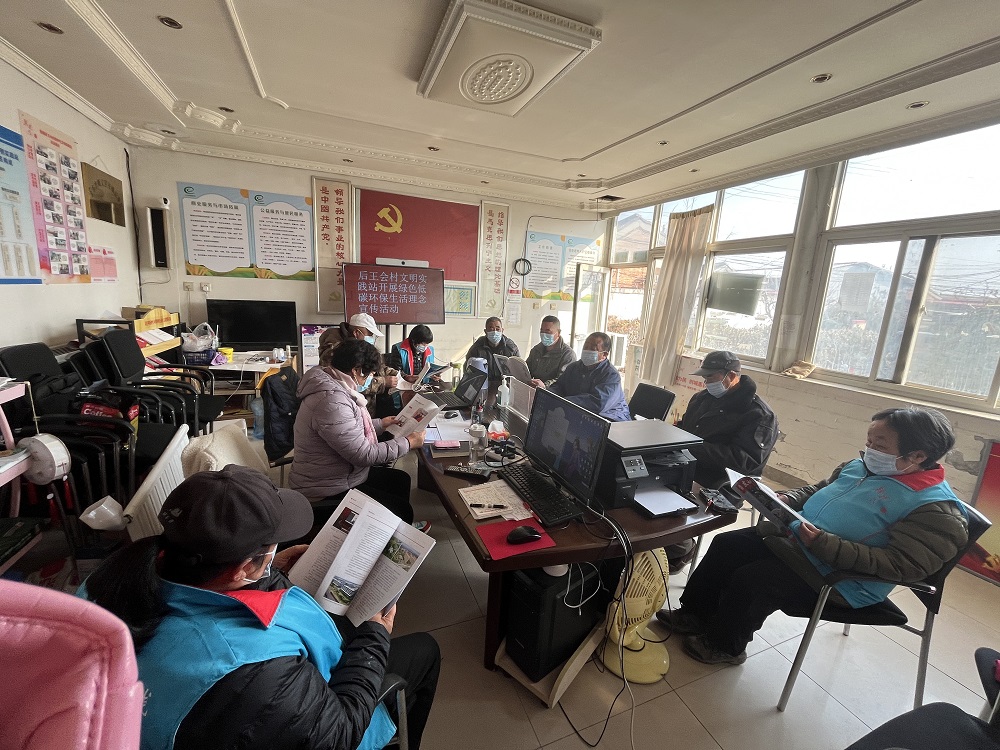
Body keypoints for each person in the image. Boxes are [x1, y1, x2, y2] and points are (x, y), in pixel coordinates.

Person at [81, 465, 440, 750]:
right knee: (425, 650)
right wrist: (375, 639)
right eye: (270, 548)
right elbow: (338, 735)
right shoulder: (255, 671)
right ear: (242, 569)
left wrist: (271, 571)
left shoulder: (111, 580)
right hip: (290, 715)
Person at [656, 407, 969, 666]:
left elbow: (903, 566)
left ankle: (725, 645)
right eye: (869, 442)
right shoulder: (861, 466)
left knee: (755, 579)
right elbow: (819, 489)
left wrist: (826, 545)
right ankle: (695, 614)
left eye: (881, 446)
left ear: (917, 456)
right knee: (728, 544)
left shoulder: (936, 510)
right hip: (801, 545)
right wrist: (788, 499)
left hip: (842, 577)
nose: (870, 451)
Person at [290, 338, 423, 524]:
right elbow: (363, 455)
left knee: (400, 480)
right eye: (369, 374)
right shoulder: (331, 401)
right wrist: (408, 442)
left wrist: (381, 423)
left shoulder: (332, 383)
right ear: (356, 370)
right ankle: (389, 538)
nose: (369, 379)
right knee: (401, 510)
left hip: (340, 473)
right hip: (325, 488)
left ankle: (394, 532)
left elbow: (348, 427)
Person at [679, 350, 778, 489]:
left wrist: (690, 446)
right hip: (686, 465)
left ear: (731, 376)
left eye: (710, 377)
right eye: (704, 378)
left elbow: (742, 462)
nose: (706, 383)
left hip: (720, 481)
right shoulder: (701, 399)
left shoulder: (759, 415)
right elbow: (684, 427)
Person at [318, 313, 399, 416]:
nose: (372, 338)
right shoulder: (336, 353)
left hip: (365, 409)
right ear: (356, 332)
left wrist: (400, 375)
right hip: (349, 409)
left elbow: (377, 366)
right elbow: (351, 383)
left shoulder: (362, 348)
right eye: (369, 334)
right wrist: (383, 382)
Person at [541, 332, 631, 421]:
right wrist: (544, 393)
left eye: (592, 348)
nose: (587, 350)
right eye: (585, 346)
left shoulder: (611, 375)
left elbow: (597, 402)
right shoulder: (574, 367)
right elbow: (559, 387)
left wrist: (563, 401)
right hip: (578, 413)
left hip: (610, 419)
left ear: (604, 355)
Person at [527, 315, 576, 388]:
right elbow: (527, 369)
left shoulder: (567, 354)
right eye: (542, 331)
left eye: (548, 331)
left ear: (558, 332)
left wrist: (545, 386)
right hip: (534, 389)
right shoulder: (536, 350)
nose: (544, 335)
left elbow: (563, 379)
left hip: (553, 392)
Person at [465, 316, 519, 382]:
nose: (495, 332)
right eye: (491, 329)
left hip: (505, 384)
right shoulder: (477, 347)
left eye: (497, 329)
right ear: (485, 331)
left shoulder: (511, 347)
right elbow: (468, 368)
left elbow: (519, 369)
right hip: (484, 384)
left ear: (502, 330)